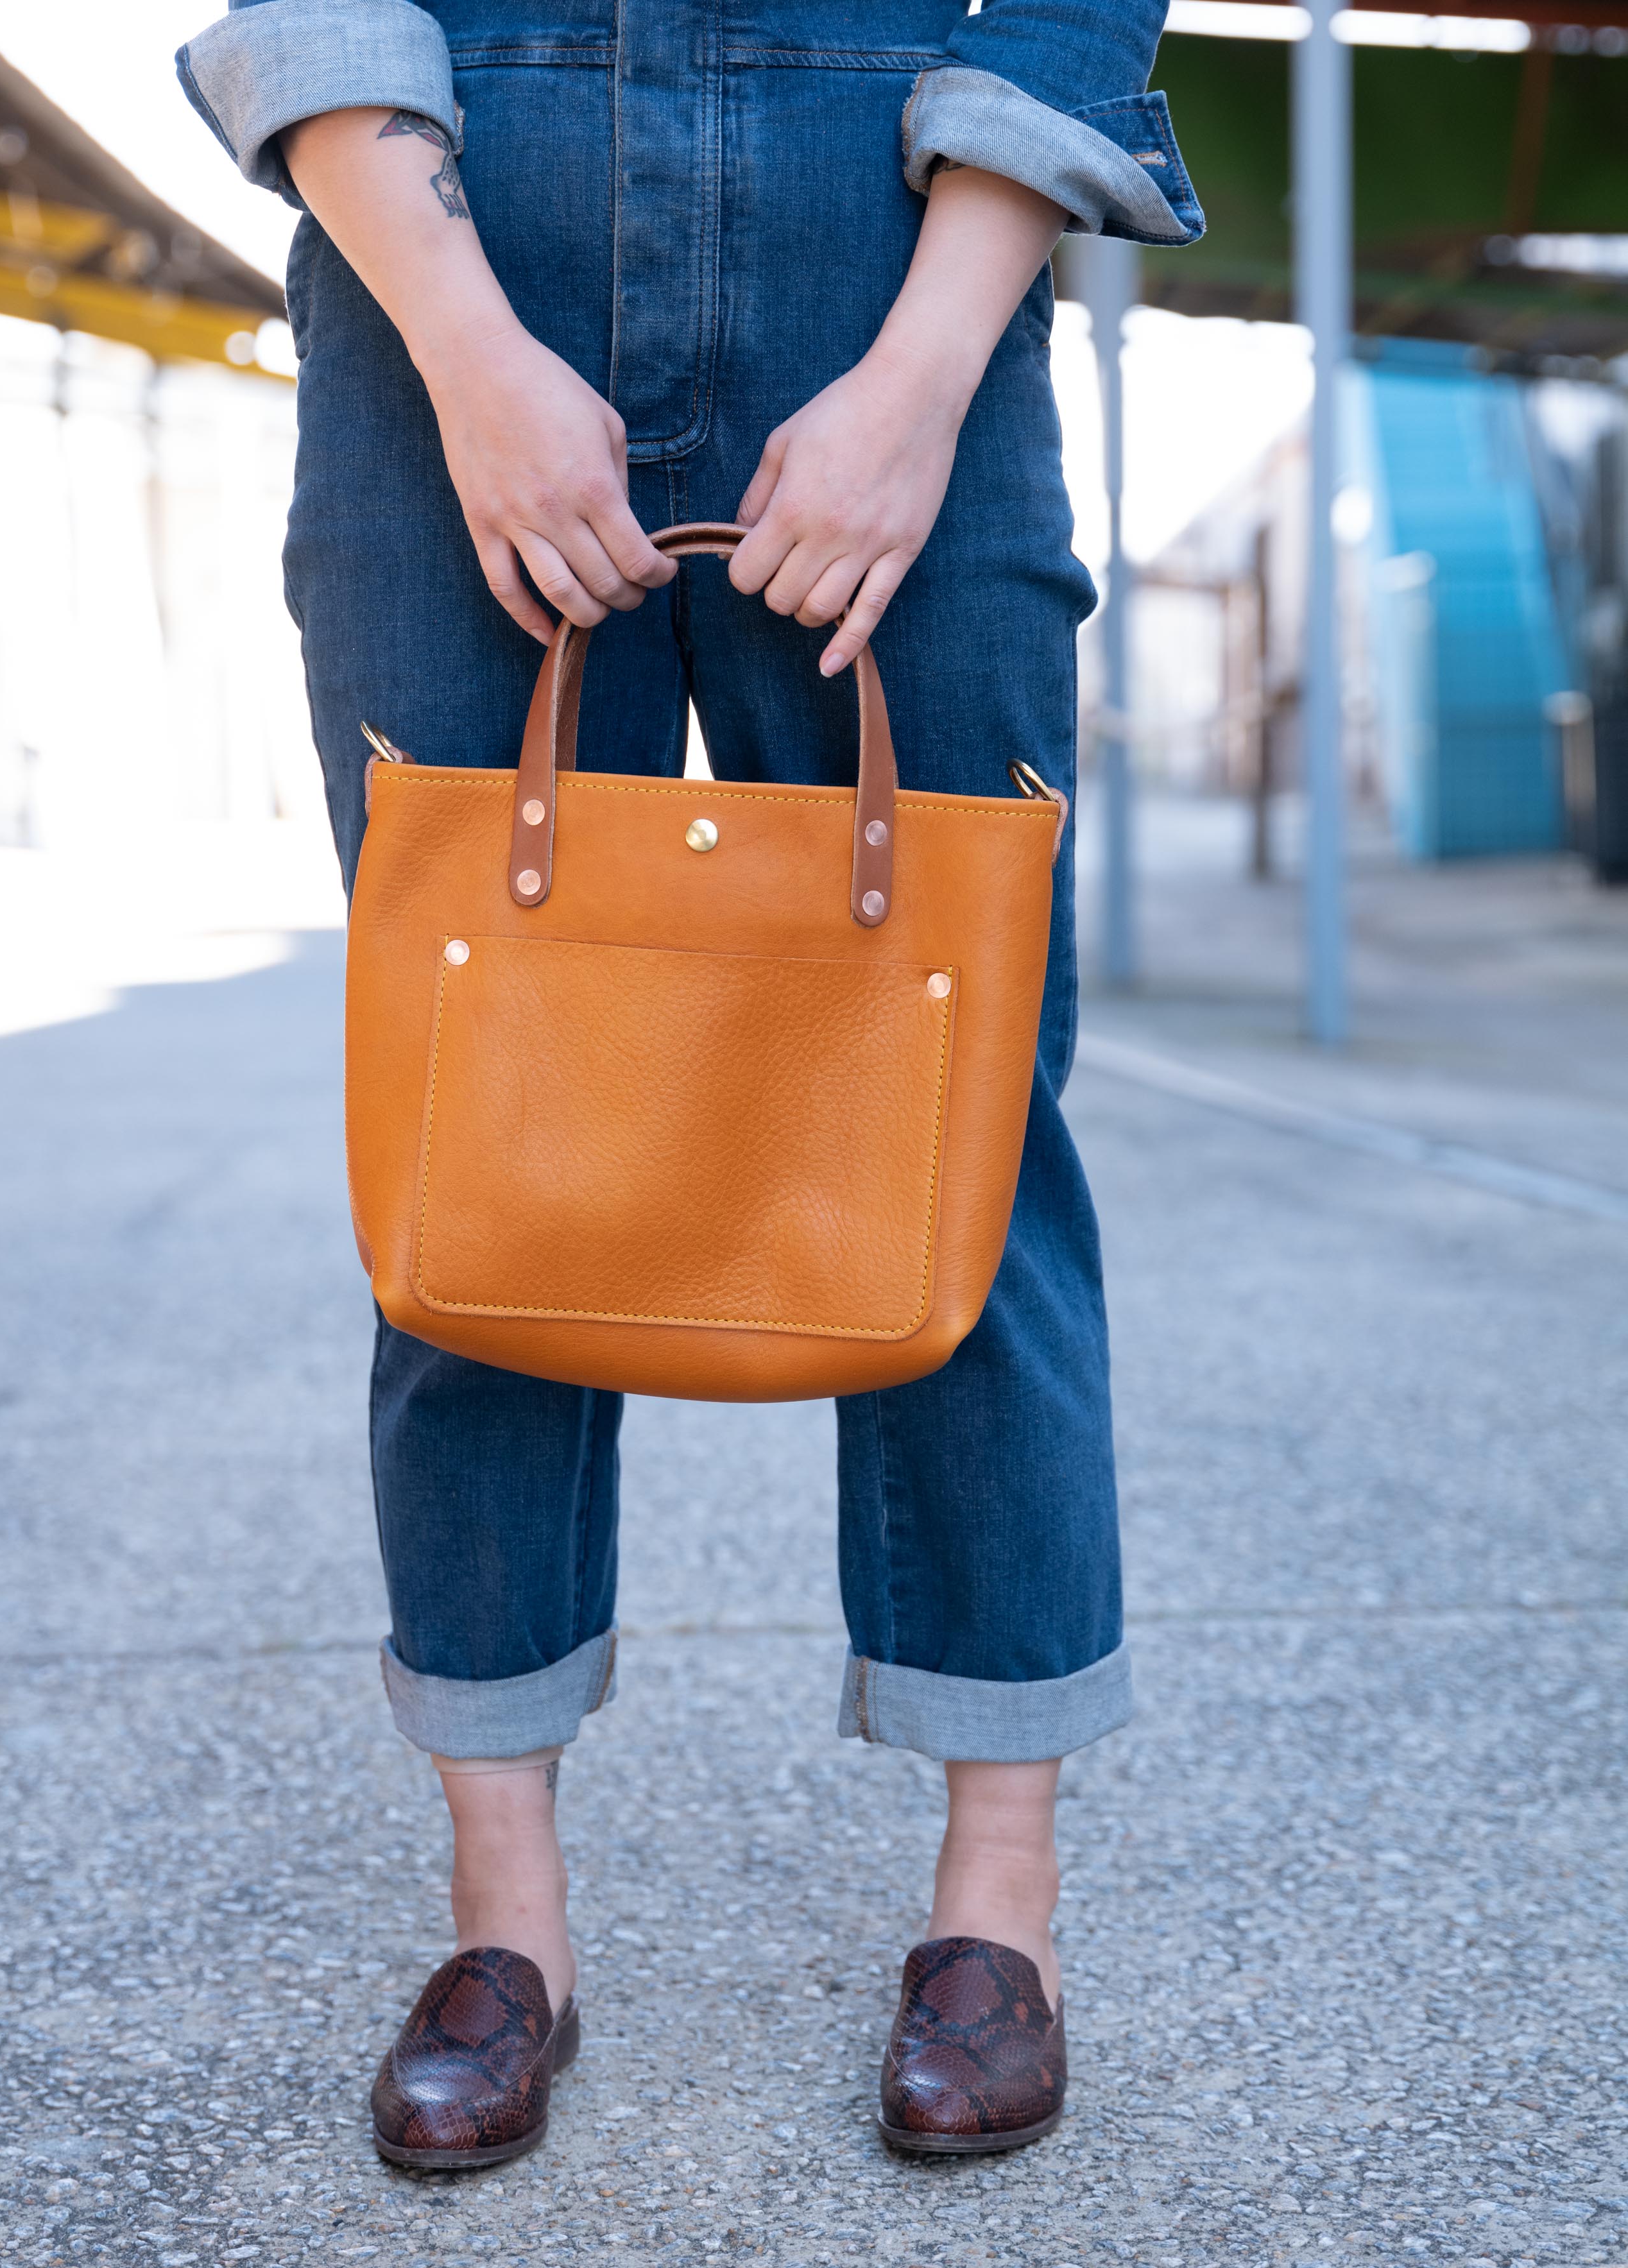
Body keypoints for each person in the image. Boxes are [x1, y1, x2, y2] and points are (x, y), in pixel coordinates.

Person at [178, 0, 1199, 2168]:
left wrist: (919, 384)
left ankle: (992, 1917)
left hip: (900, 223)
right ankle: (504, 1934)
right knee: (487, 1133)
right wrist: (467, 355)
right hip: (447, 228)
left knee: (969, 1120)